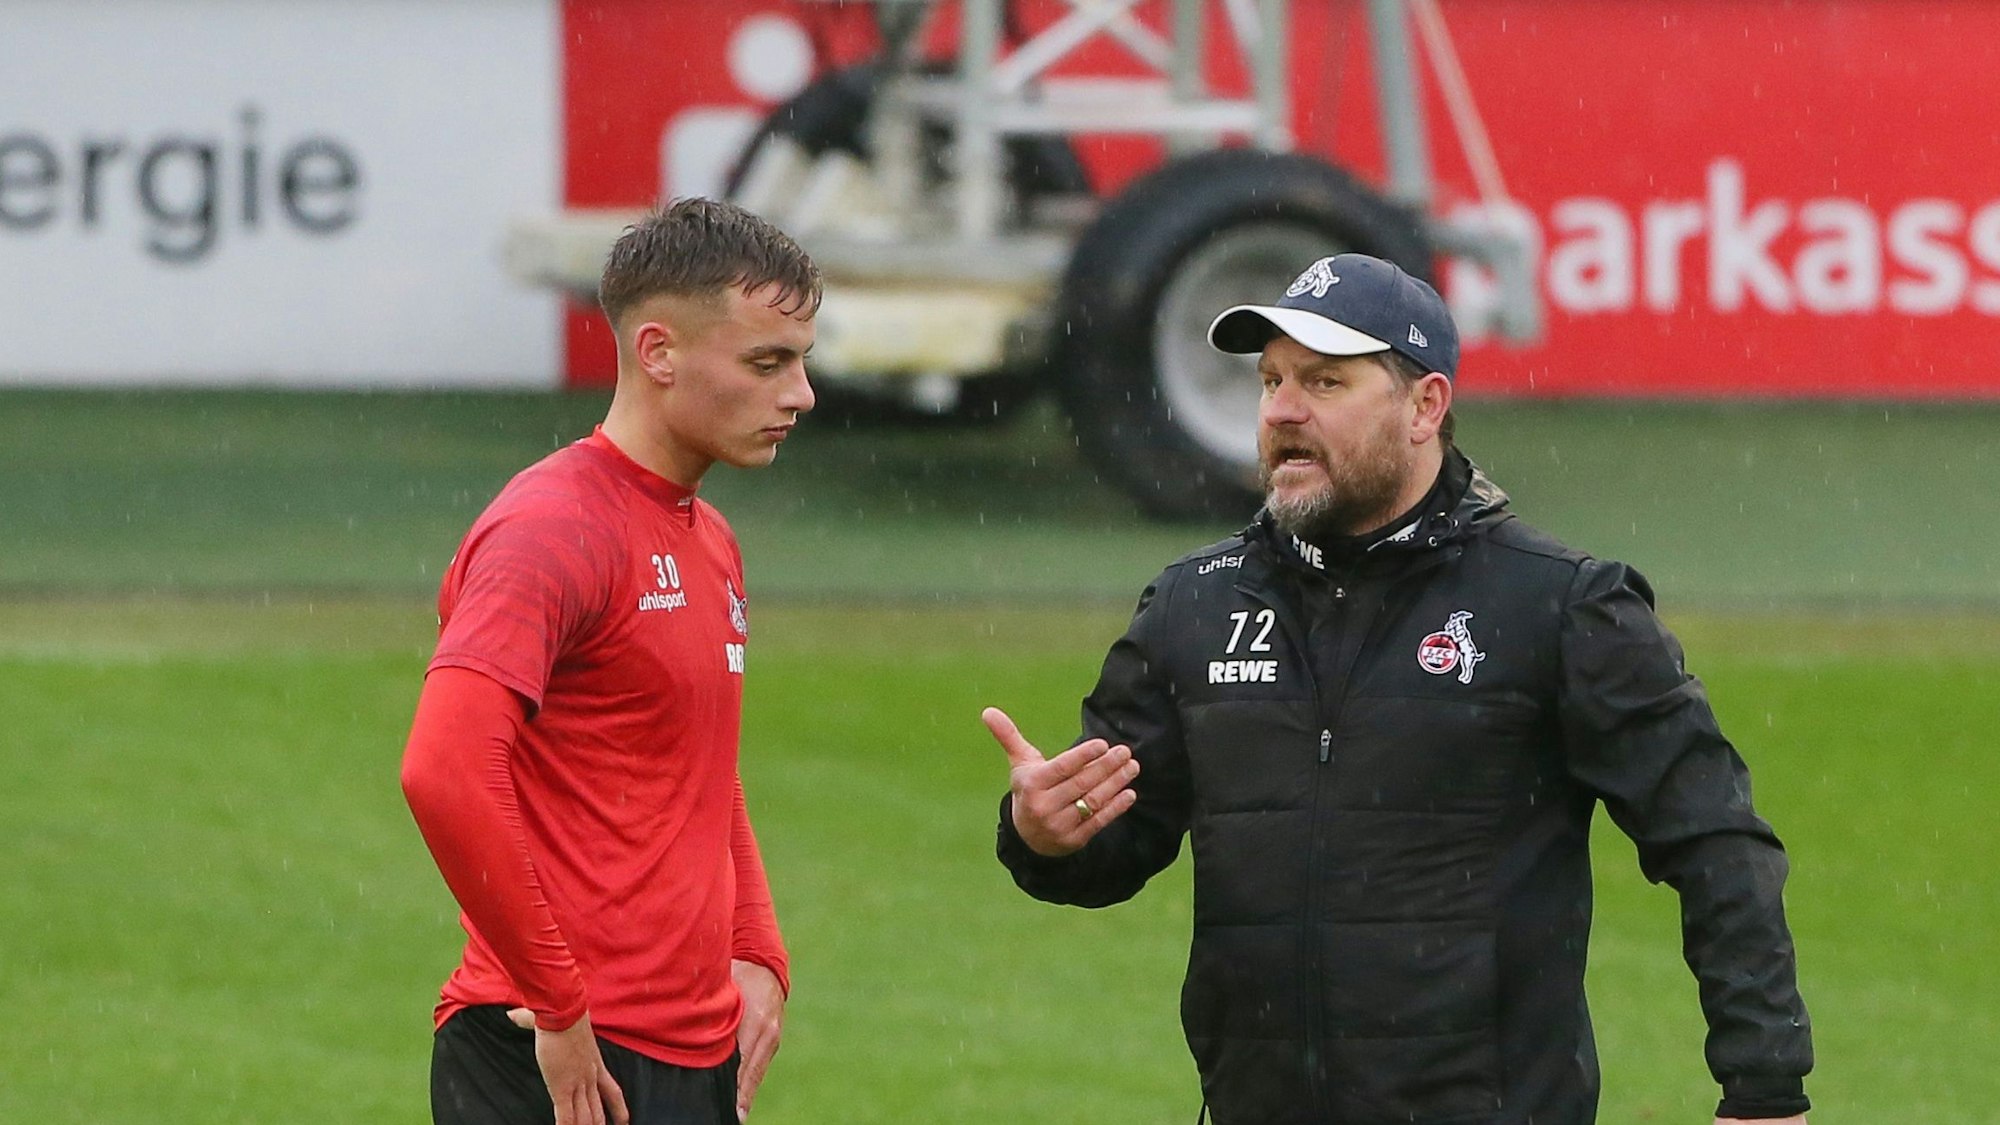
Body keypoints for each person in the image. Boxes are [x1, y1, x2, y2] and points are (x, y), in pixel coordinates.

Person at [986, 253, 1812, 1125]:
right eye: (1271, 381)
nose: (1283, 411)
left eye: (1325, 382)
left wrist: (1764, 1086)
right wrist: (1046, 836)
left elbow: (1716, 840)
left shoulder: (1561, 605)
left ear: (1426, 407)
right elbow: (1112, 846)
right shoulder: (1193, 604)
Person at [401, 198, 818, 1125]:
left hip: (688, 1049)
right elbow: (444, 769)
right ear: (659, 352)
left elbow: (699, 761)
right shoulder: (551, 528)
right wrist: (559, 1003)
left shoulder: (710, 537)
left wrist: (757, 948)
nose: (800, 394)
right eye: (767, 362)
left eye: (801, 361)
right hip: (548, 1049)